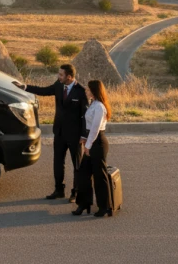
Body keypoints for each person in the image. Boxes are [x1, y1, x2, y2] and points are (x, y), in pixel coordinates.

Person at [26, 64, 87, 202]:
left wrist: (84, 135)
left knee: (77, 165)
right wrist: (25, 87)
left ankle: (75, 193)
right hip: (59, 132)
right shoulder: (58, 85)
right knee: (58, 162)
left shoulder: (81, 91)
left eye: (61, 74)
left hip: (75, 135)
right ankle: (59, 190)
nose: (58, 76)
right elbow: (43, 90)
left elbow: (85, 116)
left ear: (69, 77)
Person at [73, 79, 113, 217]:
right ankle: (84, 204)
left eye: (88, 89)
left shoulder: (100, 107)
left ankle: (104, 207)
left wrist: (88, 146)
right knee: (83, 173)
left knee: (99, 176)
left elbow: (95, 129)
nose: (86, 91)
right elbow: (90, 127)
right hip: (91, 140)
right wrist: (85, 139)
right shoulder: (93, 103)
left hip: (98, 143)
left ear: (94, 91)